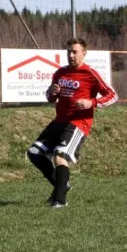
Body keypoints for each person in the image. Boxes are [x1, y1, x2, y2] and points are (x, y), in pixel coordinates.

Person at [26, 38, 117, 208]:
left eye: (75, 52)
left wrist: (93, 103)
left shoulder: (90, 74)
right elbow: (50, 97)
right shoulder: (60, 73)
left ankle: (59, 201)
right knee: (33, 153)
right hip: (59, 121)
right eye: (69, 51)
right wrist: (51, 92)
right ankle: (62, 184)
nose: (71, 55)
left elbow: (113, 95)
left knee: (60, 155)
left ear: (84, 53)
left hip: (78, 123)